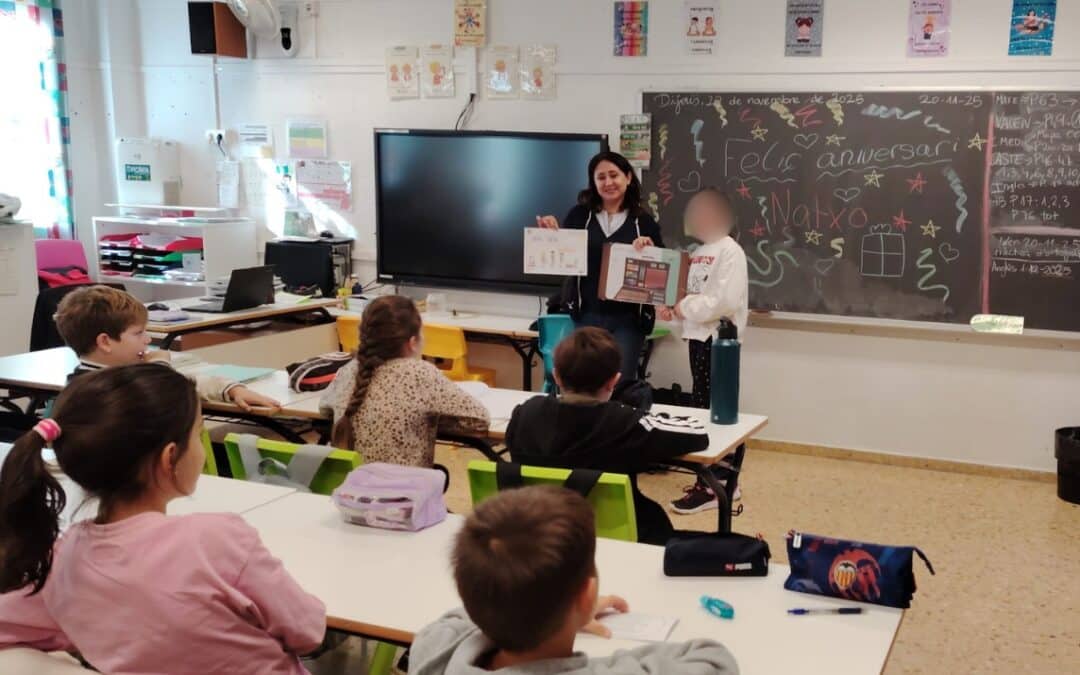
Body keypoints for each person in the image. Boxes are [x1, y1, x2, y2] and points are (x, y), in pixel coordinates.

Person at [0, 364, 326, 673]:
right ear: (170, 457)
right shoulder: (218, 539)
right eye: (198, 435)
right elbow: (308, 632)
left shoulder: (62, 558)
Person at [409, 485, 738, 674]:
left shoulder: (434, 651)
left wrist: (548, 605)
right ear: (586, 597)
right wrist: (563, 608)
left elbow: (462, 614)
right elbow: (716, 661)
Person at [505, 327, 708, 545]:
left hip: (538, 533)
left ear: (556, 376)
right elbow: (697, 433)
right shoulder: (625, 423)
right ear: (614, 381)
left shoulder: (524, 415)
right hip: (624, 539)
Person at [537, 151, 664, 382]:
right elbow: (564, 257)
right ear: (593, 183)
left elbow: (660, 276)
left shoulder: (643, 221)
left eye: (614, 175)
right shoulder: (579, 216)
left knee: (620, 381)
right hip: (586, 314)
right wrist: (551, 236)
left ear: (627, 177)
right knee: (585, 381)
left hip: (628, 320)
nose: (608, 183)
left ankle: (616, 419)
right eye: (601, 177)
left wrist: (648, 249)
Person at [660, 188, 749, 516]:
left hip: (719, 341)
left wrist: (683, 306)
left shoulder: (730, 251)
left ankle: (722, 482)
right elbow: (690, 295)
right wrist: (674, 308)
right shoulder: (698, 251)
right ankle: (711, 479)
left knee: (718, 408)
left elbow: (722, 302)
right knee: (702, 406)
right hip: (698, 338)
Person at [321, 295, 490, 467]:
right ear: (412, 342)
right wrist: (430, 418)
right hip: (405, 489)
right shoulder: (420, 374)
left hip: (351, 488)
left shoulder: (348, 371)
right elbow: (479, 420)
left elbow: (324, 410)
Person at [53, 285, 280, 410]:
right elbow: (166, 396)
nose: (146, 340)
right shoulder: (93, 390)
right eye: (138, 333)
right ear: (105, 342)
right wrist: (159, 368)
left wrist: (232, 390)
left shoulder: (123, 372)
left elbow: (186, 383)